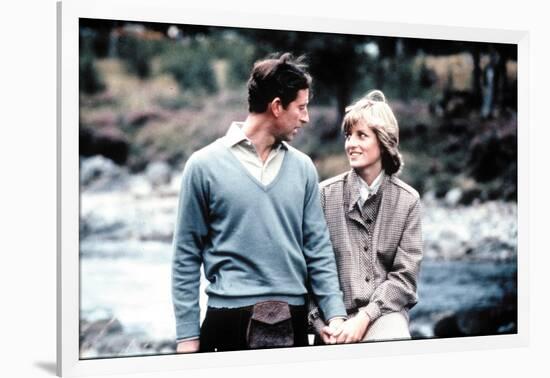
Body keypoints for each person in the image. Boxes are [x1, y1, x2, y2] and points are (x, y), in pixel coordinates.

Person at [172, 52, 347, 353]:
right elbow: (186, 256)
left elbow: (318, 249)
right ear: (277, 106)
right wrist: (187, 336)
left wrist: (336, 314)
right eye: (301, 107)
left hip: (291, 320)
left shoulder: (303, 168)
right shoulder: (203, 165)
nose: (306, 118)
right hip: (225, 320)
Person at [309, 89, 423, 344]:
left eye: (362, 135)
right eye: (349, 136)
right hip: (331, 320)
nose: (351, 144)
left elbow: (404, 278)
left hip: (385, 316)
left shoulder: (408, 200)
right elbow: (308, 267)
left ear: (383, 141)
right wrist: (319, 322)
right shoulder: (324, 195)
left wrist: (364, 317)